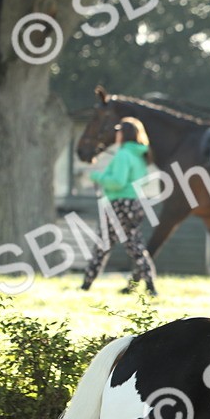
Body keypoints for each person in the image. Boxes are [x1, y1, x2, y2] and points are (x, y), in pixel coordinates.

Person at [81, 117, 156, 294]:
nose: (117, 135)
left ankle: (86, 285)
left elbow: (117, 182)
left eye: (119, 131)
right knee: (135, 246)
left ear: (124, 134)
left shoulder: (123, 155)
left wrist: (96, 176)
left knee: (103, 245)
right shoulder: (139, 155)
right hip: (135, 203)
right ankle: (151, 285)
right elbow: (142, 180)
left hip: (119, 204)